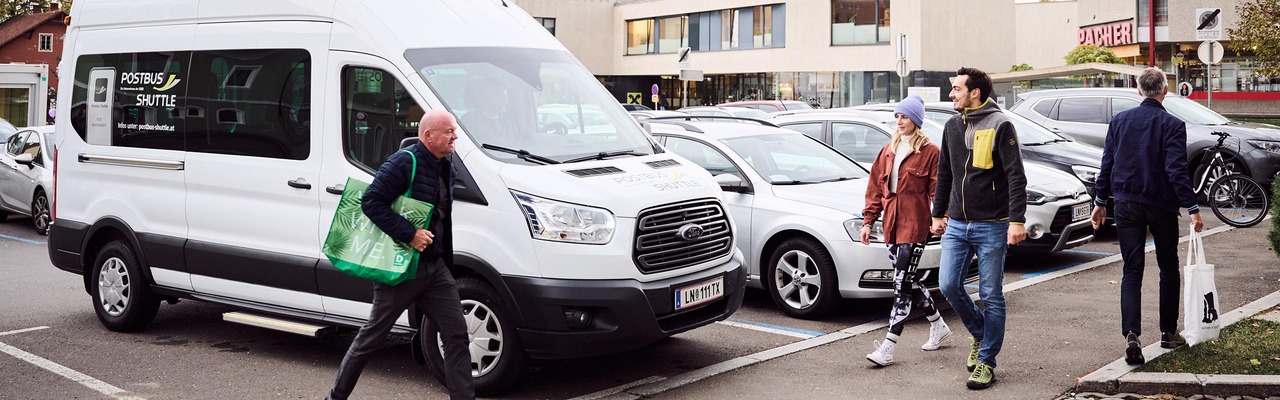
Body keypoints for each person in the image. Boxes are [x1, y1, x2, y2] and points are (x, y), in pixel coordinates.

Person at [328, 109, 474, 400]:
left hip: (435, 270)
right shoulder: (403, 162)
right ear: (428, 135)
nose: (455, 136)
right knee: (372, 337)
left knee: (457, 334)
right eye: (449, 131)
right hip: (401, 270)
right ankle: (335, 397)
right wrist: (410, 233)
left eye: (454, 130)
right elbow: (371, 202)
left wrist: (444, 260)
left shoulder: (447, 165)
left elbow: (441, 218)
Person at [1090, 67, 1204, 366]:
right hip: (1162, 206)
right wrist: (1192, 208)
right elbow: (1176, 169)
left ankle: (1132, 334)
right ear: (1164, 91)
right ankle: (1168, 332)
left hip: (1126, 203)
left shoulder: (1119, 121)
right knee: (1168, 268)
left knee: (1132, 270)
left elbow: (1108, 163)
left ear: (1138, 91)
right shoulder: (1173, 123)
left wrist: (1100, 201)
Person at [930, 67, 1027, 390]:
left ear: (975, 93)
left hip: (992, 225)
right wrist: (937, 213)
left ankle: (986, 361)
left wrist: (1017, 220)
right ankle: (980, 333)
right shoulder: (952, 126)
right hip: (957, 223)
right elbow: (945, 173)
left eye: (956, 89)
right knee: (948, 285)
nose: (951, 94)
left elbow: (1016, 176)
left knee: (990, 294)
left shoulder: (1001, 124)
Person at [861, 95, 952, 367]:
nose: (900, 121)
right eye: (898, 116)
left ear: (917, 121)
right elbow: (875, 188)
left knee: (900, 284)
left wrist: (941, 217)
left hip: (915, 226)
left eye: (905, 116)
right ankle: (938, 325)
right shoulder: (888, 149)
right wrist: (868, 221)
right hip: (891, 225)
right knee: (909, 281)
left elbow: (939, 190)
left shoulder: (930, 152)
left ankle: (888, 347)